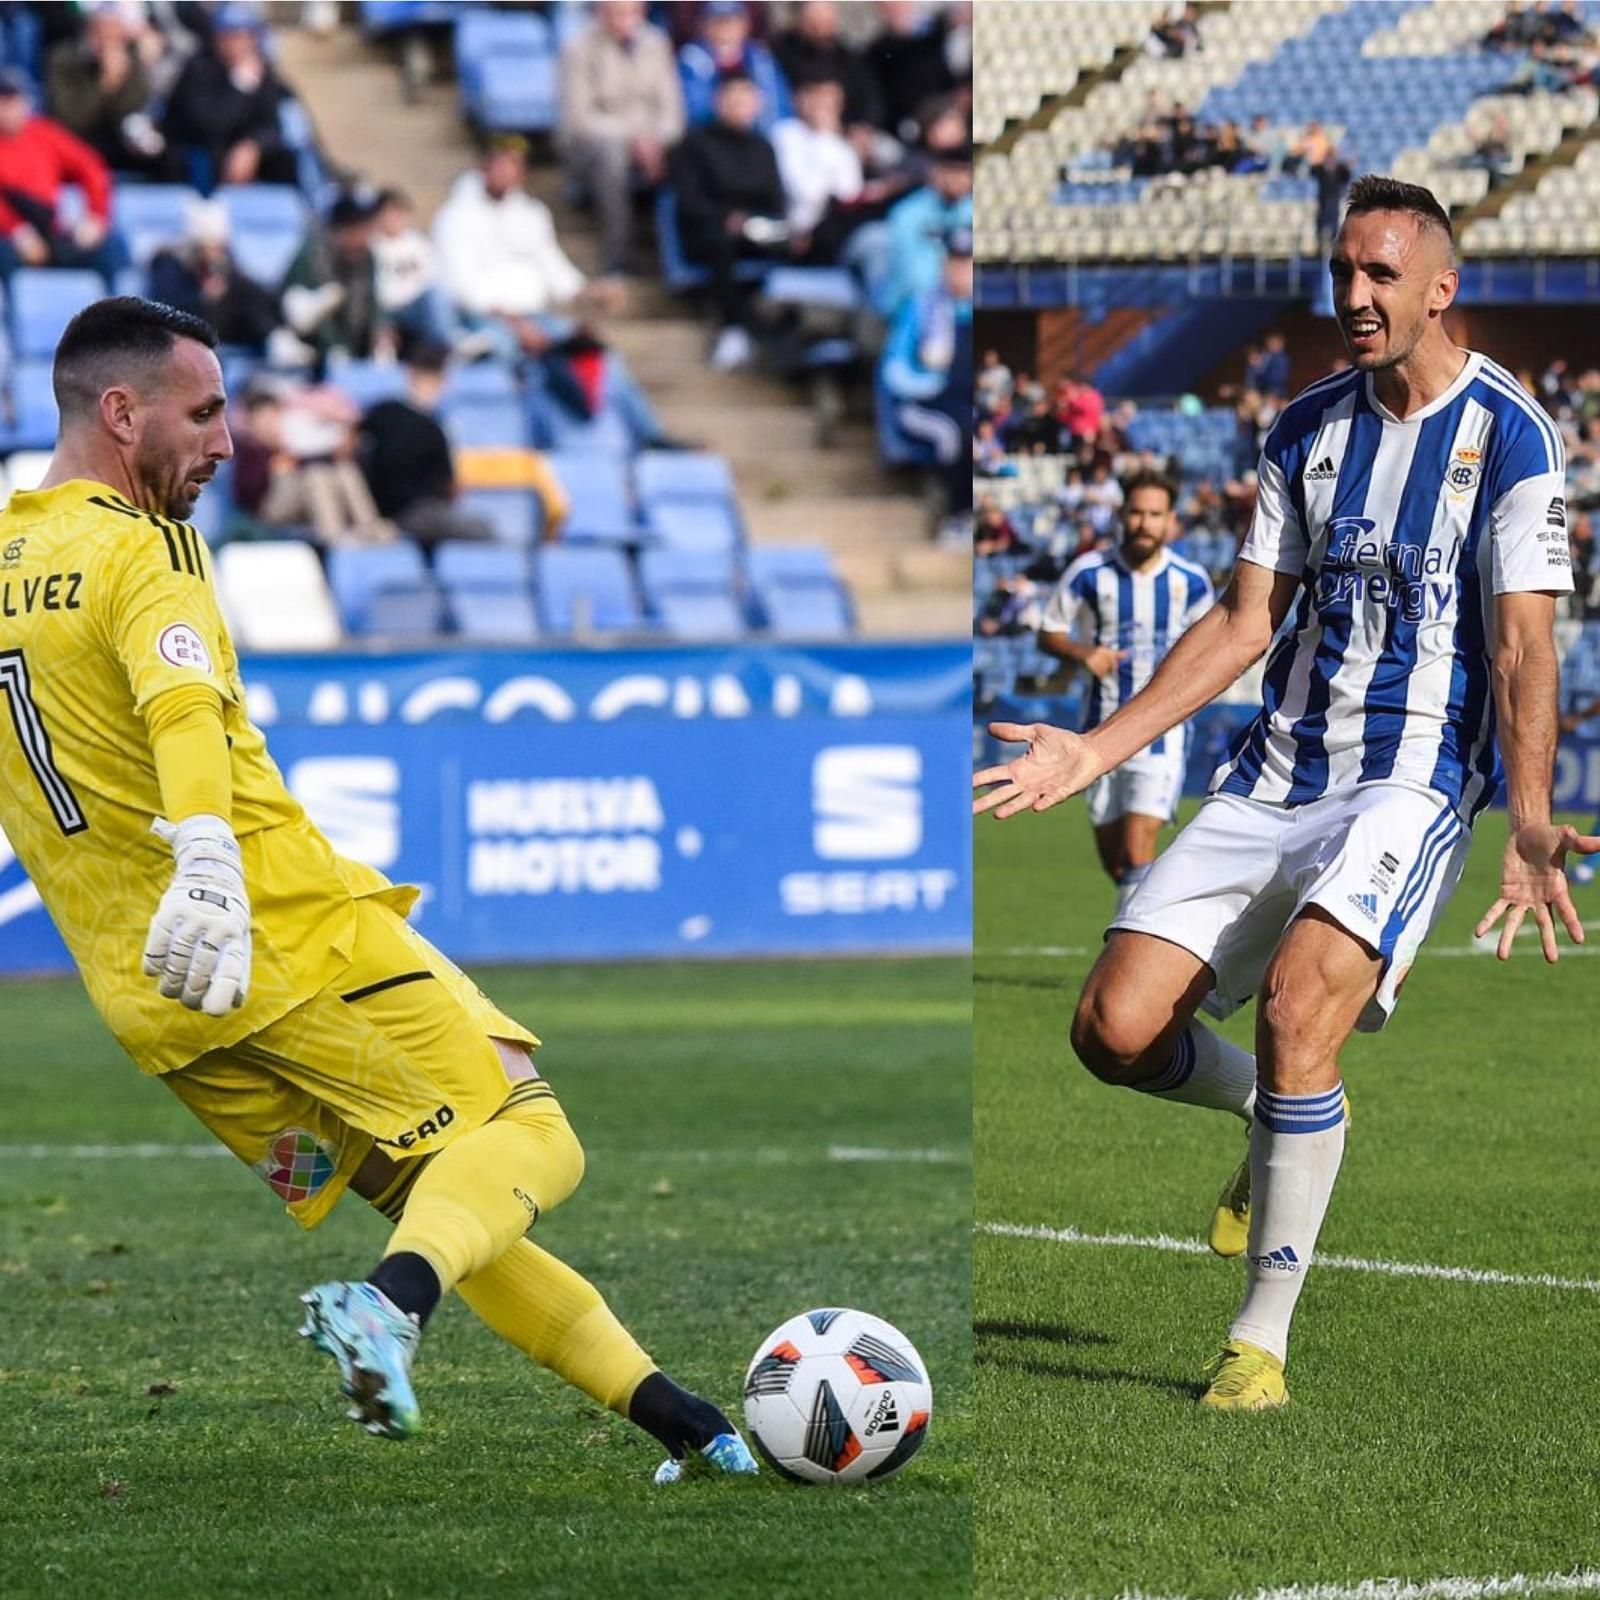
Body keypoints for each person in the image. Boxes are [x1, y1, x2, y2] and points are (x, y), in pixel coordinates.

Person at [0, 295, 757, 1480]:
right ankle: (384, 1308)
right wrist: (207, 859)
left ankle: (679, 1418)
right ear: (119, 410)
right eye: (202, 414)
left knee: (438, 1194)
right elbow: (181, 709)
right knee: (532, 1136)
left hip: (163, 1010)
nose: (226, 441)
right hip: (283, 936)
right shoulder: (138, 546)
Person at [974, 176, 1600, 1410]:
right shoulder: (1305, 426)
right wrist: (1095, 751)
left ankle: (1255, 1345)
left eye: (1379, 275)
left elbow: (1527, 647)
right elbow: (1244, 619)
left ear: (1440, 285)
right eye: (1342, 273)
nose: (1354, 297)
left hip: (1411, 778)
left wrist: (1525, 826)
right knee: (1112, 1031)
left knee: (1301, 1005)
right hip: (1275, 772)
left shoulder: (1517, 439)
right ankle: (1272, 1121)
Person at [1037, 474, 1214, 912]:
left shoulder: (1190, 582)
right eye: (1136, 512)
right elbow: (1048, 632)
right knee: (1118, 863)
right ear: (1121, 515)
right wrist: (1083, 652)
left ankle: (1132, 965)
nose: (1144, 523)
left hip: (1161, 734)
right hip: (1099, 731)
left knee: (1138, 854)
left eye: (1155, 515)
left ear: (1171, 522)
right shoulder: (1089, 574)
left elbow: (1211, 649)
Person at [668, 68, 788, 371]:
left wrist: (753, 220)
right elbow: (688, 200)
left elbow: (776, 201)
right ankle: (738, 328)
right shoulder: (694, 144)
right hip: (708, 230)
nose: (739, 106)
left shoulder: (763, 146)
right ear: (718, 102)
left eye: (746, 99)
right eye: (732, 99)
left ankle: (793, 326)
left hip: (757, 228)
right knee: (720, 243)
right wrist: (727, 218)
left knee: (801, 242)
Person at [558, 0, 685, 277]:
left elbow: (671, 110)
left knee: (689, 150)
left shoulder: (657, 43)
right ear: (600, 13)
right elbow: (579, 119)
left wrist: (655, 141)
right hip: (593, 144)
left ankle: (687, 260)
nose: (623, 20)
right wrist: (633, 139)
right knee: (611, 155)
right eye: (615, 13)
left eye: (631, 12)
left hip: (651, 140)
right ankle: (617, 256)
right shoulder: (578, 47)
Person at [882, 228, 972, 535]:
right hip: (928, 402)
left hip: (966, 399)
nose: (961, 271)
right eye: (956, 262)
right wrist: (933, 383)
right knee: (954, 433)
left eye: (968, 262)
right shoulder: (922, 307)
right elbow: (894, 369)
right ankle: (955, 513)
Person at [0, 66, 127, 281]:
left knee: (110, 247)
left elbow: (91, 167)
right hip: (8, 235)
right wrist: (17, 231)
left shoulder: (45, 134)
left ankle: (117, 313)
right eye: (2, 102)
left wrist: (96, 216)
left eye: (13, 100)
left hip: (49, 228)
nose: (7, 109)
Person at [159, 4, 297, 190]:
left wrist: (253, 146)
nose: (235, 43)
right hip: (197, 152)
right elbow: (210, 126)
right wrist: (239, 88)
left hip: (242, 149)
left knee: (286, 156)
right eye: (229, 35)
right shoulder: (198, 68)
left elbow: (272, 124)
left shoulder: (261, 68)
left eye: (242, 35)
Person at [148, 198, 281, 353]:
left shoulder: (224, 261)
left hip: (228, 329)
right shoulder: (169, 262)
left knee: (247, 294)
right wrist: (203, 297)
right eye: (209, 248)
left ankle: (276, 334)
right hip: (184, 331)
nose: (214, 253)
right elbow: (166, 304)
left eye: (219, 247)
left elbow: (246, 286)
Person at [677, 0, 789, 131]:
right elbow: (693, 107)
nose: (726, 28)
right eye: (719, 21)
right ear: (704, 25)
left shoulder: (759, 57)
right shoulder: (692, 58)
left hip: (758, 134)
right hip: (712, 136)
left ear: (745, 24)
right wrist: (733, 108)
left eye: (732, 20)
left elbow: (779, 104)